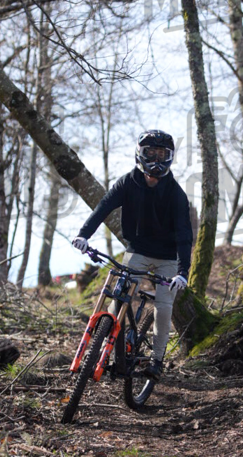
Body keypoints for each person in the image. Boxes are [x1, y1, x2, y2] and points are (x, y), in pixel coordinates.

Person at [72, 129, 193, 381]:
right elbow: (104, 206)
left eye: (162, 154)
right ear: (140, 154)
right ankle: (108, 346)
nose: (156, 160)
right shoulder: (128, 182)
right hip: (137, 250)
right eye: (151, 153)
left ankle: (157, 360)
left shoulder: (176, 194)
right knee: (119, 297)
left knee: (163, 306)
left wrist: (183, 272)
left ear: (170, 157)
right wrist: (84, 235)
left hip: (168, 257)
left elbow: (184, 234)